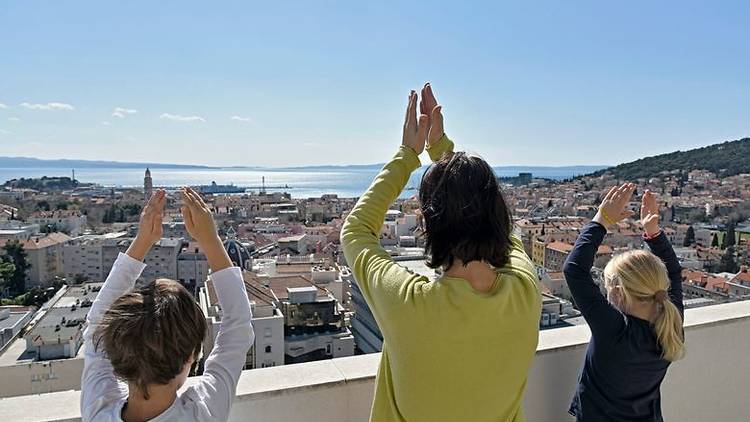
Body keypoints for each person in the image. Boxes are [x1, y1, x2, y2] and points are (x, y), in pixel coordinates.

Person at [340, 83, 542, 422]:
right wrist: (443, 153)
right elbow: (509, 237)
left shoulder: (409, 304)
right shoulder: (525, 292)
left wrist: (408, 154)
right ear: (497, 213)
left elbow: (356, 230)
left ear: (429, 224)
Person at [81, 188, 254, 422]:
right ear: (191, 358)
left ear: (115, 353)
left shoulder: (98, 411)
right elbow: (238, 326)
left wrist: (142, 241)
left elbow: (96, 326)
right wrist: (210, 239)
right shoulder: (202, 413)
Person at [564, 184, 685, 421]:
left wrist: (602, 219)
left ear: (618, 292)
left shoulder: (616, 331)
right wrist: (653, 233)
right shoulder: (670, 324)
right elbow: (674, 273)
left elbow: (574, 270)